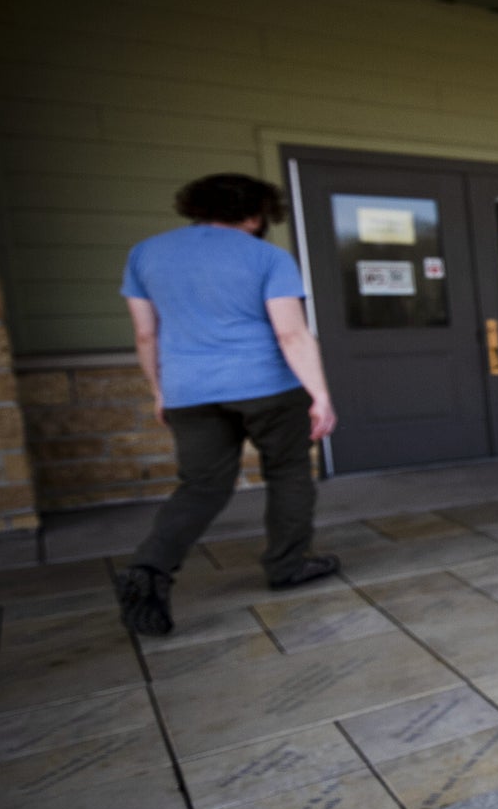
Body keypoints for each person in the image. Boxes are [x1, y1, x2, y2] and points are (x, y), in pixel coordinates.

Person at [114, 173, 341, 636]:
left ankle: (151, 569)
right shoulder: (268, 257)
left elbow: (145, 334)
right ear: (257, 214)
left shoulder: (146, 253)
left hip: (188, 389)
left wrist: (160, 392)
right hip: (267, 387)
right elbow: (291, 333)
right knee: (287, 472)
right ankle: (286, 566)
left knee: (201, 485)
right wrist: (320, 394)